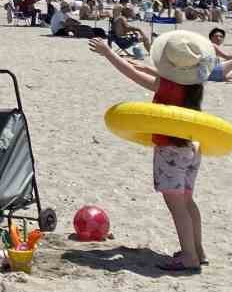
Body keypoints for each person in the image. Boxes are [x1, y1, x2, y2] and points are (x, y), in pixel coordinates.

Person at [87, 31, 215, 273]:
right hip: (191, 145)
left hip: (170, 149)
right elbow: (163, 76)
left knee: (176, 205)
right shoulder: (195, 84)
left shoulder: (167, 87)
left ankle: (188, 256)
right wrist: (143, 65)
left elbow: (133, 76)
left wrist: (108, 54)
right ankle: (198, 250)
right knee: (188, 202)